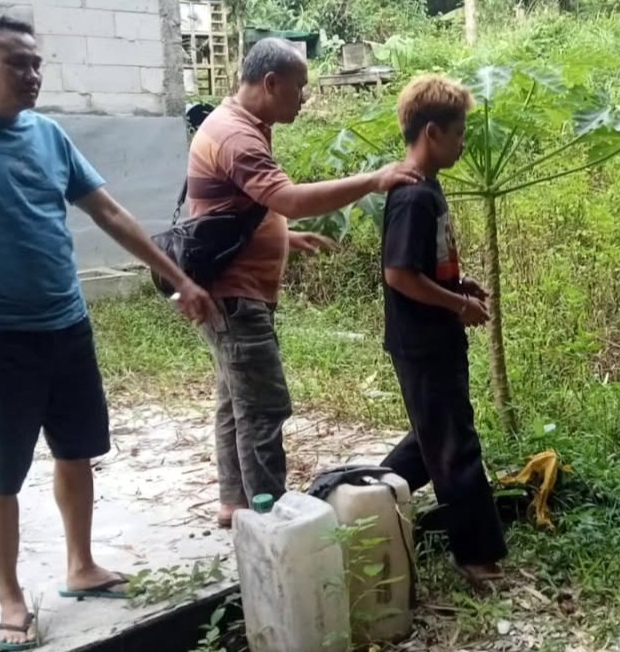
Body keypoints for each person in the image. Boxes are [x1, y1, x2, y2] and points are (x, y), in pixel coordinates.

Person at [0, 13, 217, 651]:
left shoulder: (47, 135)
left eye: (36, 62)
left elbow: (107, 210)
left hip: (67, 324)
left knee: (77, 450)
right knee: (2, 475)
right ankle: (11, 597)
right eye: (17, 63)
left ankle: (80, 564)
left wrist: (179, 278)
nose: (33, 75)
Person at [187, 38, 421, 528]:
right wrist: (373, 180)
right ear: (271, 83)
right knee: (263, 408)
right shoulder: (236, 135)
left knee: (235, 403)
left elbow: (233, 211)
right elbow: (288, 197)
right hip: (236, 298)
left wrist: (282, 237)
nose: (304, 97)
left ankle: (236, 505)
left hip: (230, 290)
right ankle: (272, 521)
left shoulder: (243, 125)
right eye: (299, 87)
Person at [379, 74, 508, 586]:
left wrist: (458, 281)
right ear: (432, 133)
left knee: (431, 441)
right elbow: (399, 274)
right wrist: (456, 303)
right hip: (423, 341)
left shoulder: (428, 188)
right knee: (454, 444)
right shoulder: (413, 196)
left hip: (432, 337)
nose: (462, 143)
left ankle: (362, 505)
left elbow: (422, 266)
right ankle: (475, 556)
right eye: (458, 134)